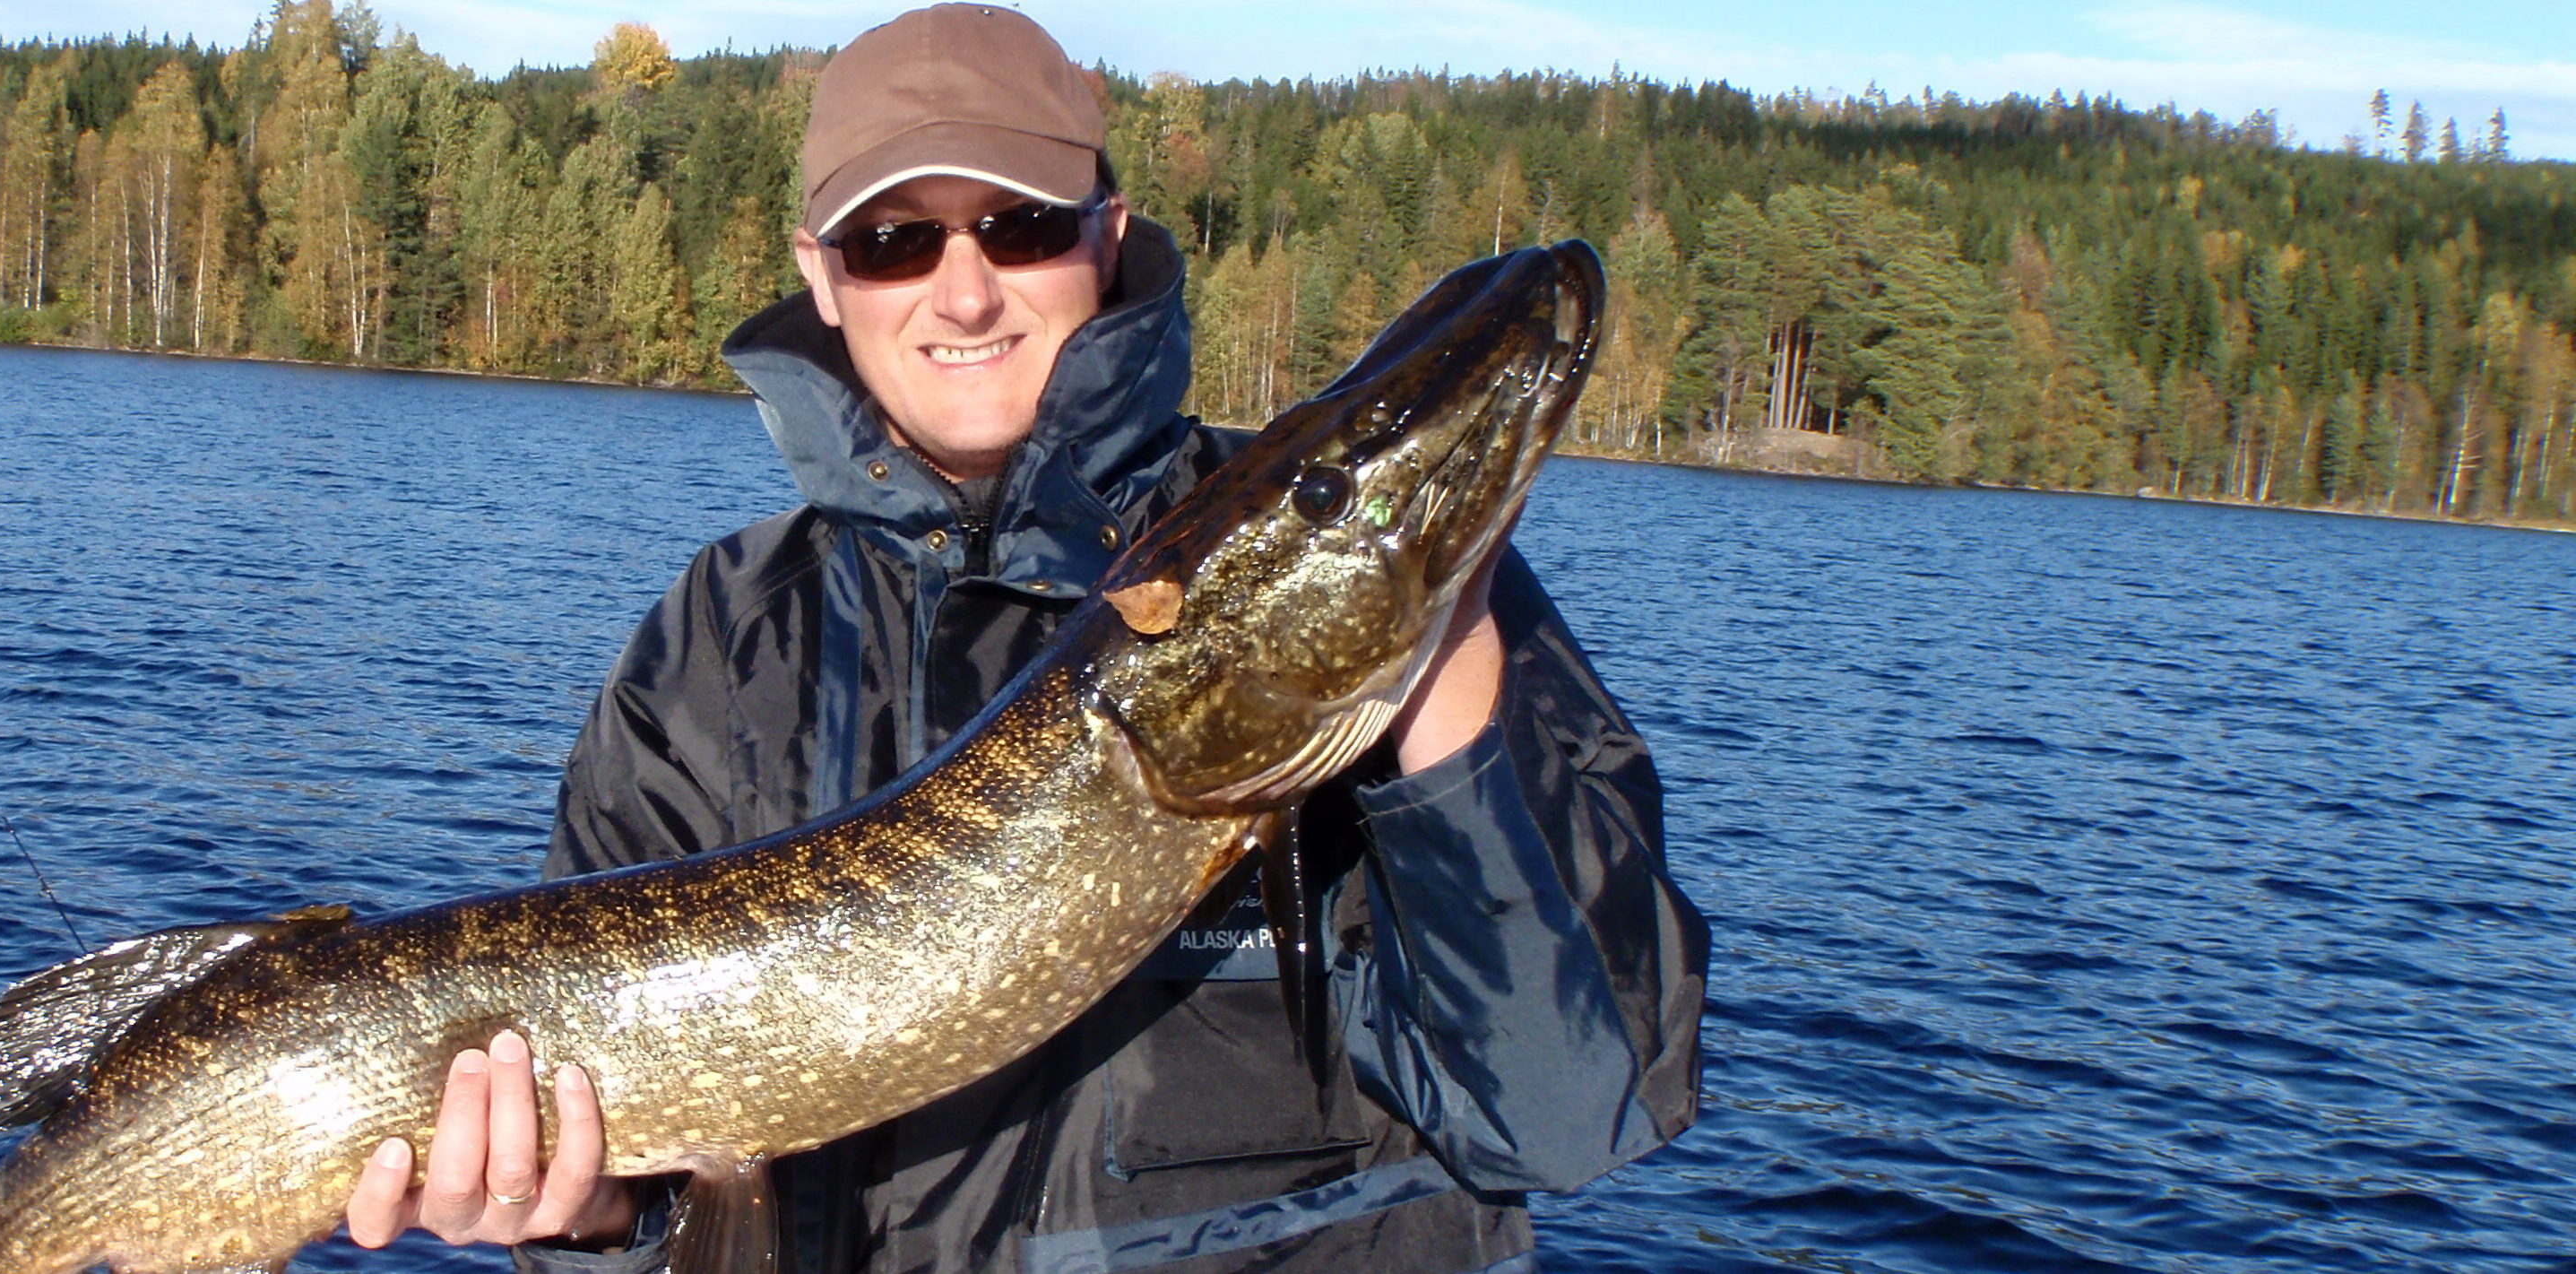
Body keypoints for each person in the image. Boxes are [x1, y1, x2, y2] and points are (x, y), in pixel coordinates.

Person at [341, 7, 1707, 1272]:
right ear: (821, 277)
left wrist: (1441, 688)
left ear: (1109, 235)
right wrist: (589, 1215)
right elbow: (666, 1236)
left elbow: (1572, 1110)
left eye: (1022, 226)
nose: (966, 292)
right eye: (895, 242)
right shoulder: (720, 647)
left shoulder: (1424, 618)